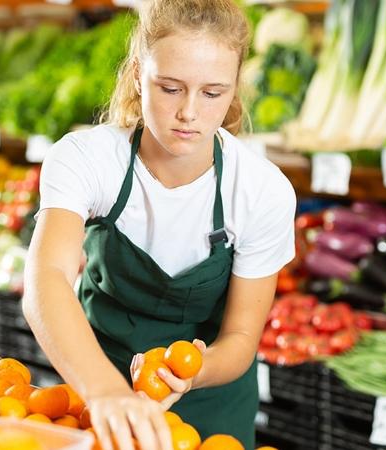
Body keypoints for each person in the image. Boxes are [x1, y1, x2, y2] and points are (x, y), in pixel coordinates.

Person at [23, 1, 295, 449]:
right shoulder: (86, 159)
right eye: (170, 88)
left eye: (212, 93)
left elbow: (242, 337)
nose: (189, 112)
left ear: (233, 89)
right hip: (97, 378)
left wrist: (189, 373)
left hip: (212, 404)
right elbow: (46, 276)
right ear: (136, 74)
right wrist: (106, 391)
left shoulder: (262, 190)